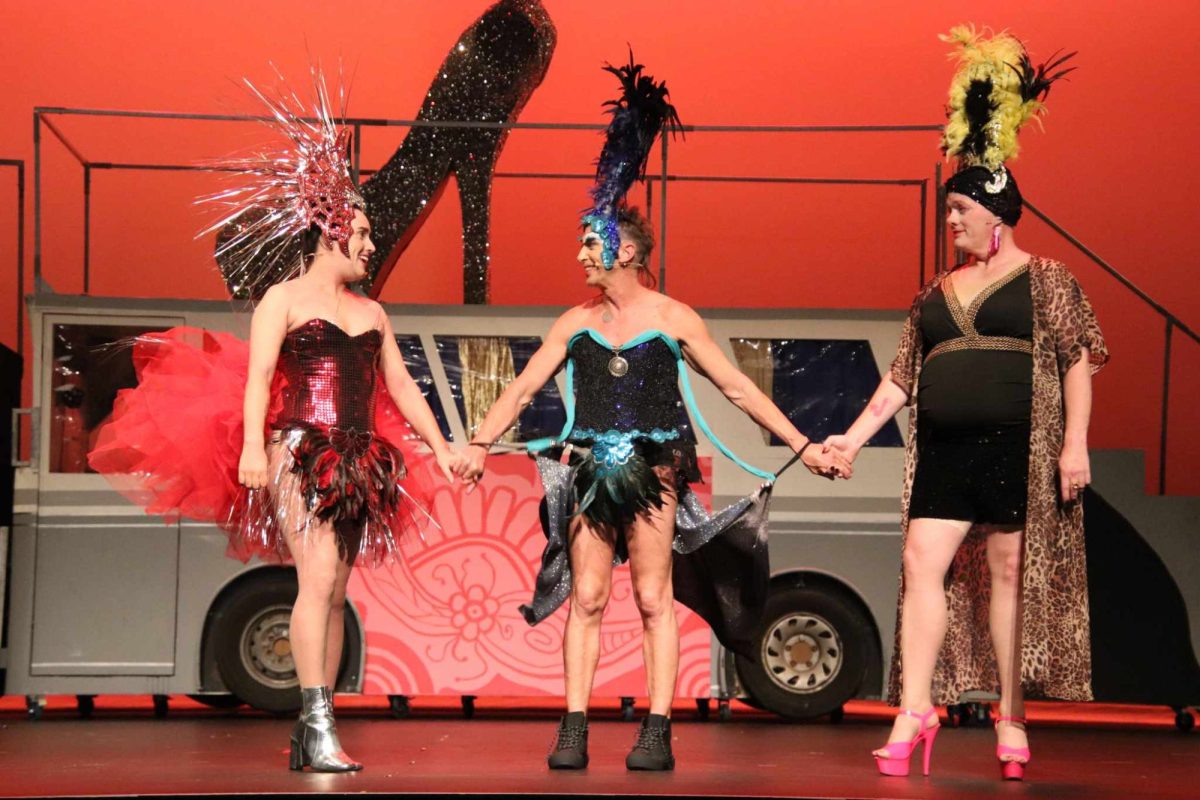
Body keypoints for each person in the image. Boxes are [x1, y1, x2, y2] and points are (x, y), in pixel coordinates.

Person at [90, 73, 461, 772]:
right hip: (298, 450)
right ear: (331, 231)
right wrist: (256, 449)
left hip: (358, 458)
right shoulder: (282, 300)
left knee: (336, 587)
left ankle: (311, 729)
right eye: (364, 231)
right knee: (317, 581)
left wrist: (442, 445)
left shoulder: (373, 315)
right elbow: (260, 376)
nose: (373, 244)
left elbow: (403, 386)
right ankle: (317, 724)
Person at [823, 26, 1106, 782]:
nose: (950, 222)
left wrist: (1074, 444)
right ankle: (915, 709)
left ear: (996, 215)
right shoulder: (931, 297)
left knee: (1010, 576)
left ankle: (1011, 717)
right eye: (949, 211)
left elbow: (1078, 362)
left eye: (960, 211)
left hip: (1018, 452)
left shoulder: (1048, 279)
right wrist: (851, 439)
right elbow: (899, 381)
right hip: (946, 456)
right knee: (923, 562)